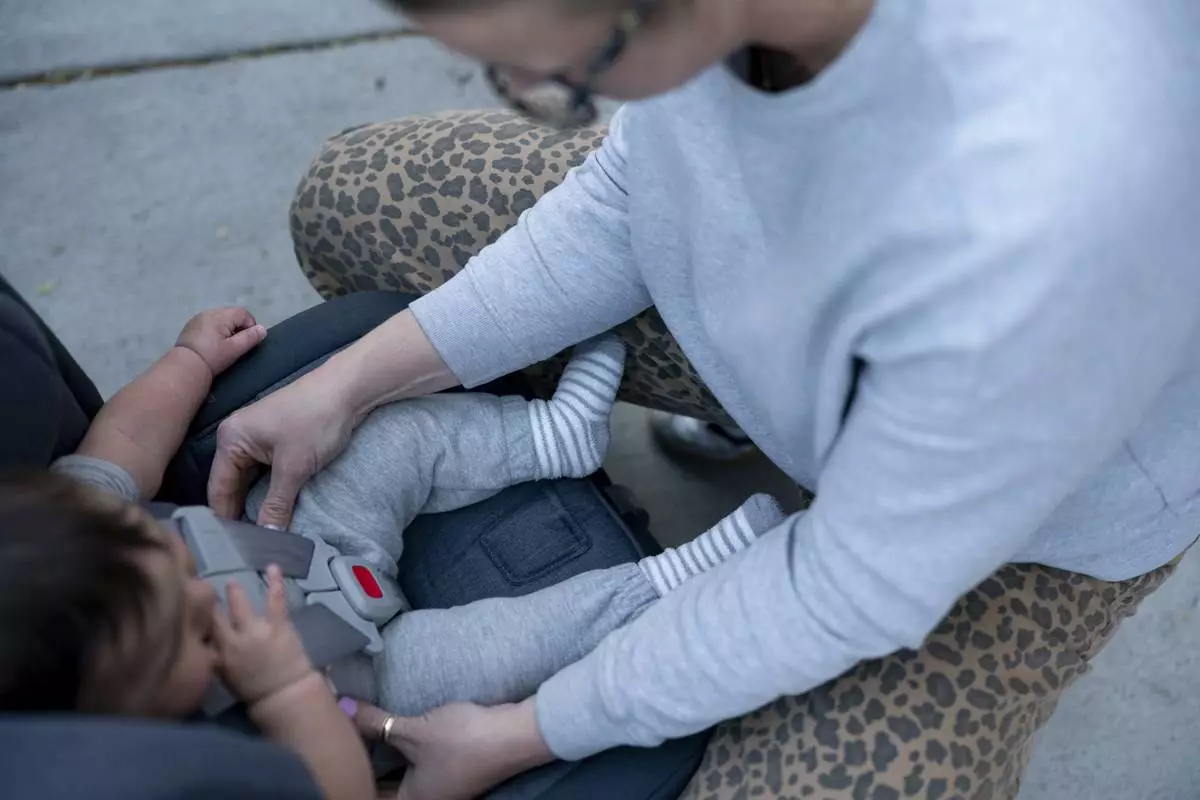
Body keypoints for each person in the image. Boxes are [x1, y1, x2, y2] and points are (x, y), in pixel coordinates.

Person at [211, 0, 1200, 797]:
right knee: (350, 199)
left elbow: (842, 584)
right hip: (808, 329)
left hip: (1034, 523)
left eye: (571, 62)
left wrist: (522, 728)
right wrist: (344, 387)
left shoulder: (1056, 196)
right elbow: (633, 191)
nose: (534, 90)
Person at [0, 307, 786, 798]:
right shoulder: (159, 765)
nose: (207, 597)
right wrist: (280, 692)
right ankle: (675, 581)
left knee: (385, 445)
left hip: (304, 539)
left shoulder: (85, 524)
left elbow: (129, 436)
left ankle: (547, 435)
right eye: (188, 636)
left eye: (166, 556)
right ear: (106, 722)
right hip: (370, 686)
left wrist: (190, 361)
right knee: (516, 645)